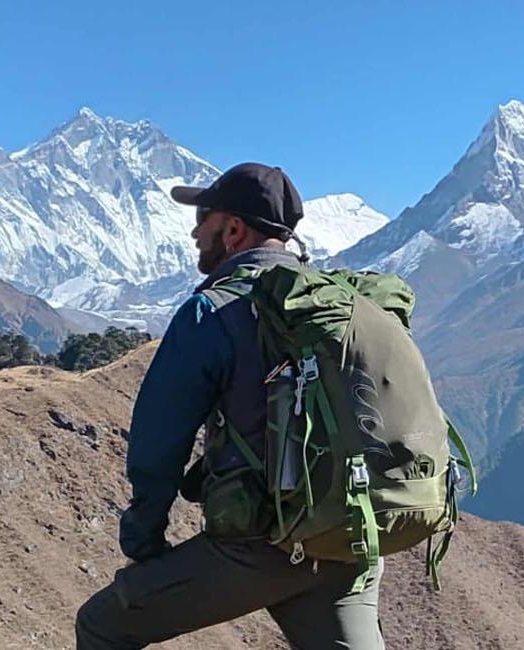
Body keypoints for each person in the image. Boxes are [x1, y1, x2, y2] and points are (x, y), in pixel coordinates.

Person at [75, 163, 385, 649]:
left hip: (263, 548)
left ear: (234, 229)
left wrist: (145, 544)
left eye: (203, 217)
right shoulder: (335, 305)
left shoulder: (212, 312)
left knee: (102, 625)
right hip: (351, 536)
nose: (195, 231)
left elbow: (159, 444)